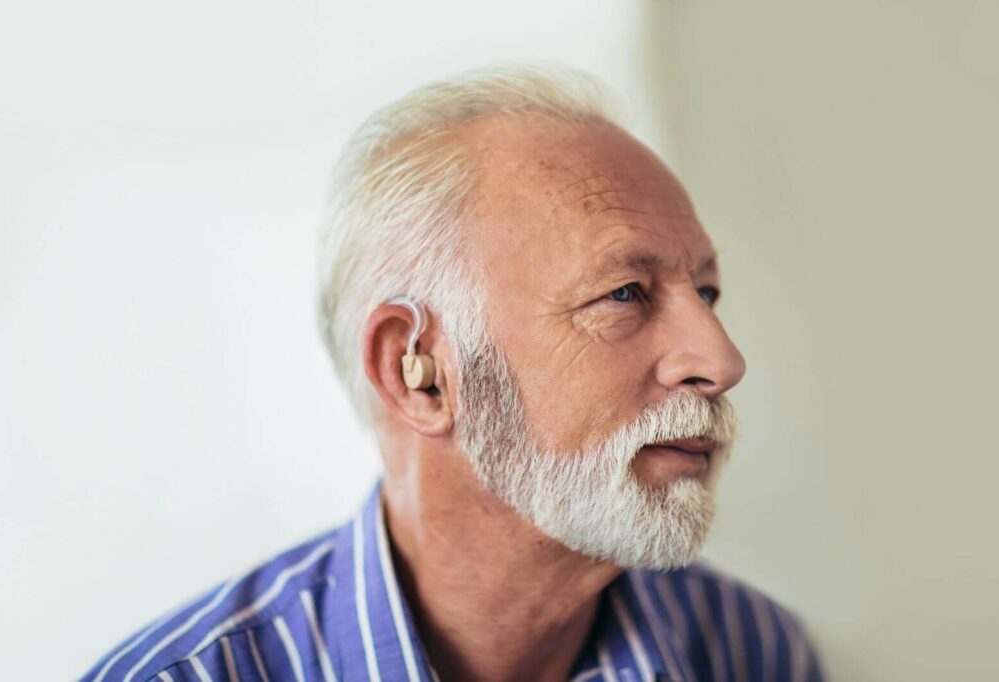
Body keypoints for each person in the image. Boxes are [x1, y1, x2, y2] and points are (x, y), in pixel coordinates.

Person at [82, 62, 825, 682]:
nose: (722, 361)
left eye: (706, 292)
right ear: (421, 374)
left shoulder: (753, 653)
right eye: (624, 293)